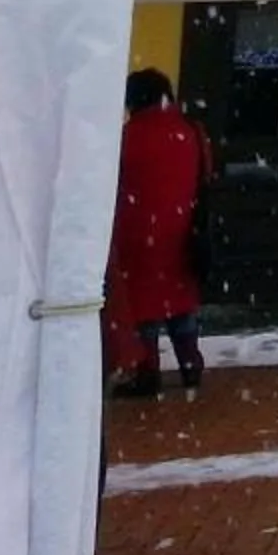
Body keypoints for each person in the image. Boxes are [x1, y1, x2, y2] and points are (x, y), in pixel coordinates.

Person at [105, 68, 214, 401]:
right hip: (183, 234)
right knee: (181, 305)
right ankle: (190, 365)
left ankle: (146, 372)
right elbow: (206, 175)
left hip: (135, 236)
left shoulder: (124, 139)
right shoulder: (192, 131)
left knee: (143, 309)